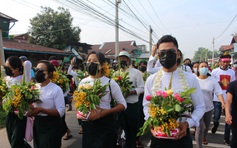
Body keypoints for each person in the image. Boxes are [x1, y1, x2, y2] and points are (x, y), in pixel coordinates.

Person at [143, 35, 205, 148]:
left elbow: (200, 106)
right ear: (158, 55)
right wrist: (151, 123)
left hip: (181, 136)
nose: (166, 56)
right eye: (162, 52)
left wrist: (187, 124)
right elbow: (146, 106)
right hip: (158, 137)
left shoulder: (190, 79)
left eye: (171, 52)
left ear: (177, 54)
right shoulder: (151, 80)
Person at [77, 51, 127, 148]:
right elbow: (79, 101)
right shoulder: (83, 81)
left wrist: (104, 113)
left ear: (102, 65)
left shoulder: (110, 82)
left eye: (95, 61)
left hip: (105, 123)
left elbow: (123, 104)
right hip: (88, 125)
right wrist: (80, 113)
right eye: (88, 60)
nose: (91, 63)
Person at [26, 60, 65, 148]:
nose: (38, 72)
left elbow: (61, 112)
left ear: (49, 73)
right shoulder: (34, 88)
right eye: (37, 69)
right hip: (38, 124)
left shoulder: (56, 89)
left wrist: (41, 110)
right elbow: (32, 105)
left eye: (42, 70)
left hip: (52, 125)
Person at [116, 50, 145, 148]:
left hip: (132, 105)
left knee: (132, 129)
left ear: (128, 60)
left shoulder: (136, 73)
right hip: (119, 106)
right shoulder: (115, 74)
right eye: (120, 59)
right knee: (121, 127)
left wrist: (130, 92)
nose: (122, 60)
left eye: (124, 59)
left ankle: (131, 144)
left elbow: (142, 88)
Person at [195, 61, 225, 147]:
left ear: (208, 68)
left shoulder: (212, 80)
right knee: (199, 128)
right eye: (202, 66)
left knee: (206, 127)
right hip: (197, 108)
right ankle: (199, 146)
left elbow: (218, 92)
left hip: (209, 108)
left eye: (205, 66)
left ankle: (204, 136)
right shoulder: (194, 79)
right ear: (198, 69)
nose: (204, 68)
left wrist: (223, 102)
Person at [4, 56, 31, 148]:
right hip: (10, 112)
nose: (6, 70)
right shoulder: (7, 79)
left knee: (16, 141)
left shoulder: (24, 78)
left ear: (16, 68)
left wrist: (21, 62)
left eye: (8, 68)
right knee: (11, 138)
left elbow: (27, 64)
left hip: (20, 113)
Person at [211, 52, 235, 146]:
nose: (225, 64)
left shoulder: (232, 72)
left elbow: (233, 86)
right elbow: (212, 84)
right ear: (220, 62)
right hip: (217, 99)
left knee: (228, 119)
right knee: (216, 117)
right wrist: (217, 83)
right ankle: (215, 125)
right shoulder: (215, 71)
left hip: (228, 99)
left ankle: (226, 138)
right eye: (224, 62)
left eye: (227, 62)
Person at [225, 80, 237, 148]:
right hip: (235, 117)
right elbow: (228, 101)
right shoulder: (233, 85)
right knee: (235, 139)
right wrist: (227, 114)